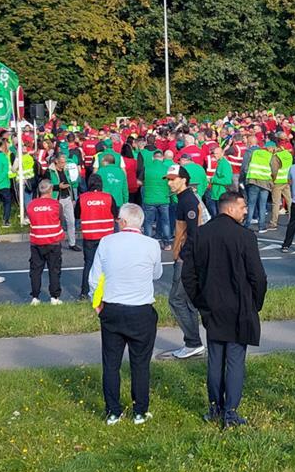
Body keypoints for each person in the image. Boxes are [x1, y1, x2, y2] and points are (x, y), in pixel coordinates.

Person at [182, 191, 267, 428]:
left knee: (215, 358)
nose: (246, 211)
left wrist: (200, 301)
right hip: (240, 308)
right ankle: (231, 411)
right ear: (230, 209)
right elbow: (258, 276)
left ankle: (215, 407)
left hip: (212, 307)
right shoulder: (245, 237)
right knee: (235, 360)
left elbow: (188, 275)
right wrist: (255, 303)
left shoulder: (200, 234)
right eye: (243, 207)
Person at [89, 203, 162, 426]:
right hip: (141, 309)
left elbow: (94, 277)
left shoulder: (107, 242)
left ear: (121, 222)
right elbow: (157, 274)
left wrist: (97, 303)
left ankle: (113, 411)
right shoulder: (152, 244)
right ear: (140, 222)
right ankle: (140, 411)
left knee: (111, 363)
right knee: (140, 363)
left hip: (113, 308)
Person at [164, 165, 205, 358]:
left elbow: (194, 233)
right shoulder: (183, 199)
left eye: (173, 179)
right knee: (187, 301)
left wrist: (183, 256)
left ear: (183, 180)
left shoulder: (187, 201)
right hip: (189, 257)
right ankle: (194, 343)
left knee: (176, 299)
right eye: (169, 179)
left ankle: (193, 342)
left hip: (187, 259)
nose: (170, 183)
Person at [75, 174, 118, 300]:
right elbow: (116, 214)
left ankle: (84, 292)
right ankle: (108, 292)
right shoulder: (108, 197)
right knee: (107, 264)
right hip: (106, 236)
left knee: (89, 264)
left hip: (90, 235)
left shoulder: (82, 198)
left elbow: (77, 214)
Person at [26, 179, 64, 305]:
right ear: (51, 190)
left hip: (36, 241)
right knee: (54, 270)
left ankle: (35, 297)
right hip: (53, 241)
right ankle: (54, 297)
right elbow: (61, 220)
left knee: (36, 270)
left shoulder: (31, 205)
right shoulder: (56, 204)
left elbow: (31, 220)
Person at [244, 141, 278, 233]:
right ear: (270, 148)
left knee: (251, 204)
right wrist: (273, 179)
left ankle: (247, 224)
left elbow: (246, 166)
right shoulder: (271, 156)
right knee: (262, 205)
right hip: (265, 183)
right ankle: (261, 226)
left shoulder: (255, 153)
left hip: (253, 180)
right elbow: (274, 170)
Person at [48, 154, 81, 252]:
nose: (64, 164)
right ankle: (54, 242)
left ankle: (72, 243)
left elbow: (70, 183)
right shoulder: (49, 171)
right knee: (57, 222)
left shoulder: (66, 170)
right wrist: (58, 186)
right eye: (62, 162)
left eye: (65, 162)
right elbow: (46, 185)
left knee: (71, 221)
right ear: (56, 161)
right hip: (57, 199)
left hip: (67, 197)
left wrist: (73, 198)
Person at [141, 150, 172, 251]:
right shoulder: (168, 169)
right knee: (165, 222)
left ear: (153, 158)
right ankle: (167, 243)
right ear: (162, 158)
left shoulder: (146, 168)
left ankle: (148, 244)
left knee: (148, 222)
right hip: (164, 199)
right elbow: (172, 184)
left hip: (149, 199)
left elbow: (139, 181)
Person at [206, 145, 233, 218]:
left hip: (221, 193)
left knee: (220, 215)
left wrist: (212, 180)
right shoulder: (220, 163)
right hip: (216, 193)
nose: (215, 155)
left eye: (217, 153)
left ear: (222, 153)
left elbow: (227, 180)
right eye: (214, 153)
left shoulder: (225, 164)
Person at [268, 145, 292, 230]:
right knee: (289, 200)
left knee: (276, 203)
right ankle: (292, 220)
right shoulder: (288, 154)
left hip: (277, 182)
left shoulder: (276, 157)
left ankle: (273, 223)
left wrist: (272, 180)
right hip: (286, 180)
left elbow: (274, 170)